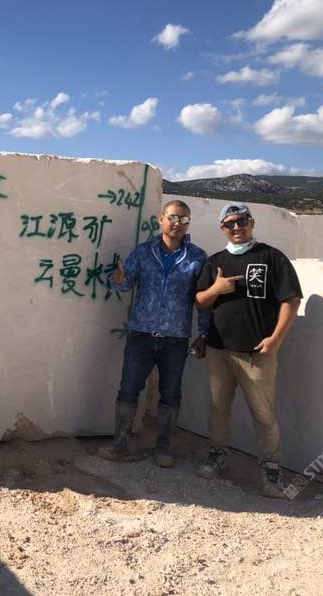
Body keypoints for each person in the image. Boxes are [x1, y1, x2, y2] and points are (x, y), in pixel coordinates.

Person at [194, 203, 302, 498]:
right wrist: (216, 289)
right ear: (222, 229)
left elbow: (291, 300)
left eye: (242, 221)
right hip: (218, 349)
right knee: (218, 408)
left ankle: (271, 469)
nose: (236, 227)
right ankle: (217, 455)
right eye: (229, 223)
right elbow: (200, 301)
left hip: (257, 352)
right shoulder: (215, 261)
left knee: (263, 413)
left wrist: (276, 339)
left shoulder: (272, 257)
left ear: (251, 223)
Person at [99, 199, 208, 467]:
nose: (178, 224)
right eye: (173, 217)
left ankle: (162, 448)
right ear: (161, 219)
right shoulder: (143, 252)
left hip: (176, 338)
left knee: (171, 394)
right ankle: (120, 444)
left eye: (184, 219)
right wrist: (118, 278)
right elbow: (125, 285)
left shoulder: (197, 257)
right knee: (128, 389)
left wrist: (204, 333)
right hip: (142, 335)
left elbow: (203, 299)